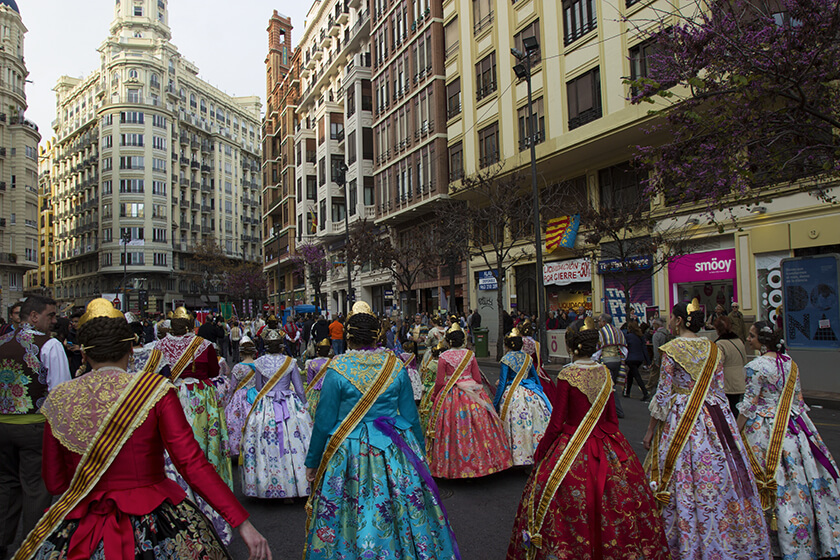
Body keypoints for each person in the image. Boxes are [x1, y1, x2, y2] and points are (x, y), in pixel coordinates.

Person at [26, 299, 271, 560]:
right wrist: (241, 521)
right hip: (153, 519)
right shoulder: (154, 391)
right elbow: (191, 463)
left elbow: (55, 482)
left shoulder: (60, 398)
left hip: (85, 526)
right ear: (130, 349)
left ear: (83, 353)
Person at [304, 301, 459, 560]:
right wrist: (420, 454)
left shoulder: (336, 370)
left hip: (349, 452)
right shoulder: (396, 366)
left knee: (347, 514)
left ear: (348, 337)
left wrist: (313, 461)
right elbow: (410, 416)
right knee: (404, 512)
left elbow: (323, 422)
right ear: (378, 336)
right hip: (394, 448)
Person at [506, 318, 670, 559]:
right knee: (618, 501)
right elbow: (612, 419)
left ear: (571, 347)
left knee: (562, 503)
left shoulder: (567, 374)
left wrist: (543, 450)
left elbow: (557, 421)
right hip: (606, 443)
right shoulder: (604, 371)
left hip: (571, 444)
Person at [643, 299, 770, 559]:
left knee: (681, 473)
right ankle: (727, 532)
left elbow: (664, 395)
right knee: (721, 471)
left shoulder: (671, 349)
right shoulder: (713, 349)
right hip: (714, 416)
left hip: (681, 418)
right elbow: (718, 389)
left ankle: (683, 535)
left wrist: (650, 430)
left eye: (671, 318)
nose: (669, 322)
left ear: (678, 321)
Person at [737, 322, 840, 559]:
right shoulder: (790, 363)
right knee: (798, 481)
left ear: (762, 342)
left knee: (768, 482)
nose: (749, 339)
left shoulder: (755, 366)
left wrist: (735, 433)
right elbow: (798, 400)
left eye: (751, 336)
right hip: (794, 428)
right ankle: (805, 539)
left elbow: (749, 405)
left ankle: (768, 540)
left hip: (764, 431)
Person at [154, 306, 234, 544]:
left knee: (171, 448)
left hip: (170, 396)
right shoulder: (204, 345)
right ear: (190, 325)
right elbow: (211, 371)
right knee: (202, 449)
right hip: (199, 398)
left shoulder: (158, 347)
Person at [0, 296, 71, 559]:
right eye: (50, 315)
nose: (54, 321)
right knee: (35, 488)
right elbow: (59, 392)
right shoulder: (50, 345)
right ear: (33, 317)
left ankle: (2, 541)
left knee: (6, 484)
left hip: (2, 425)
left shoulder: (2, 342)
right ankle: (32, 545)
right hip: (34, 426)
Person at [427, 323, 512, 478]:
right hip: (472, 394)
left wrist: (435, 397)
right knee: (480, 428)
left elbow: (439, 382)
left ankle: (454, 466)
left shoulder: (443, 357)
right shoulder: (470, 355)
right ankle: (483, 464)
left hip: (451, 396)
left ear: (449, 341)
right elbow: (477, 378)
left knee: (451, 429)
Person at [240, 328, 312, 499]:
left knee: (265, 443)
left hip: (267, 405)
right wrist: (304, 405)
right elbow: (300, 389)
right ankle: (297, 485)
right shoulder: (290, 362)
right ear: (281, 346)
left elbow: (258, 387)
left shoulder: (260, 363)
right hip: (288, 404)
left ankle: (269, 485)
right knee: (296, 442)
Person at [493, 328, 552, 467]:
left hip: (513, 395)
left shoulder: (506, 359)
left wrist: (496, 403)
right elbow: (535, 377)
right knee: (535, 424)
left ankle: (515, 457)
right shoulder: (527, 358)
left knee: (513, 425)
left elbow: (502, 383)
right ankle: (533, 453)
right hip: (530, 392)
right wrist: (540, 393)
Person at [224, 335, 259, 457]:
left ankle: (238, 447)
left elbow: (233, 386)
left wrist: (228, 401)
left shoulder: (238, 367)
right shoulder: (258, 365)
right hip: (255, 395)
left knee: (236, 422)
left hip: (240, 397)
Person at [714, 315, 748, 416]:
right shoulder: (739, 341)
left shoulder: (720, 344)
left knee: (729, 411)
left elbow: (718, 364)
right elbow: (744, 360)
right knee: (737, 408)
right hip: (740, 379)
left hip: (727, 382)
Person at [594, 313, 626, 419]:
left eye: (599, 321)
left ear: (604, 322)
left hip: (607, 361)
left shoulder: (601, 332)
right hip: (617, 361)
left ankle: (618, 410)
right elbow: (624, 350)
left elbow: (598, 350)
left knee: (609, 386)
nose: (598, 323)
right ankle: (608, 409)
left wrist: (593, 360)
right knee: (611, 385)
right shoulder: (618, 331)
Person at [418, 341, 445, 433]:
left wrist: (423, 391)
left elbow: (427, 380)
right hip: (443, 387)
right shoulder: (443, 363)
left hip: (431, 389)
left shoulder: (431, 365)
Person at [304, 338, 333, 418]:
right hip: (329, 392)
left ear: (317, 352)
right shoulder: (334, 362)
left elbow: (309, 381)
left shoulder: (312, 363)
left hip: (315, 392)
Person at [623, 321, 651, 401]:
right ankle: (627, 392)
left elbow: (625, 347)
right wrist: (648, 361)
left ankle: (645, 393)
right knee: (631, 375)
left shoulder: (628, 336)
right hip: (639, 358)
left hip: (631, 358)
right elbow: (644, 349)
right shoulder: (640, 336)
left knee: (636, 375)